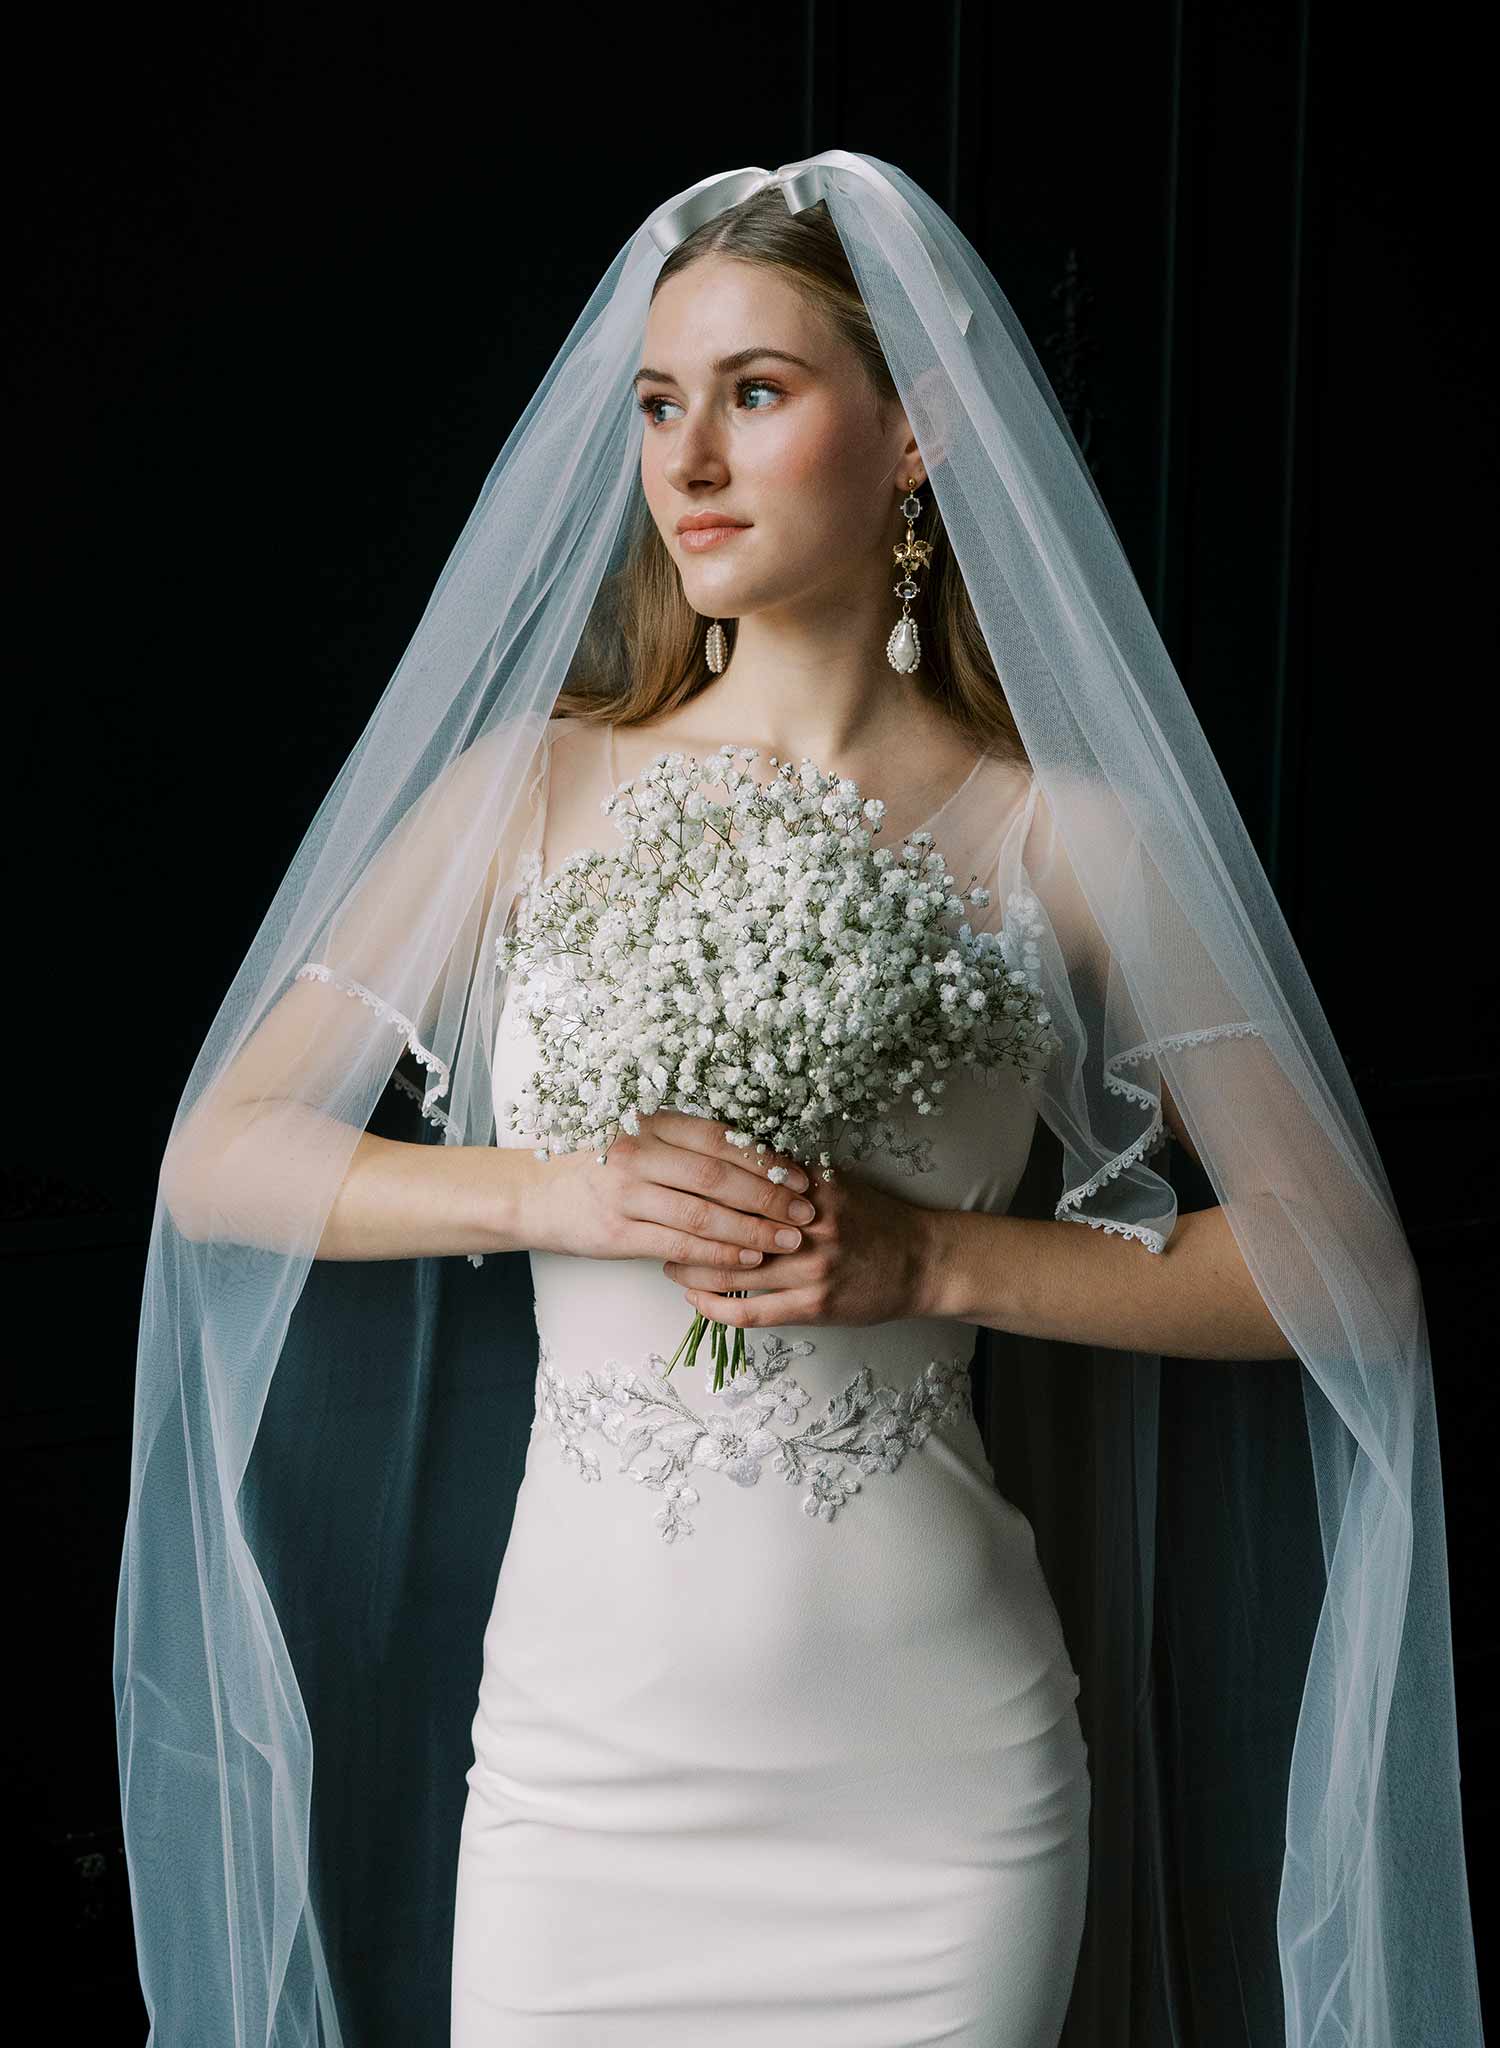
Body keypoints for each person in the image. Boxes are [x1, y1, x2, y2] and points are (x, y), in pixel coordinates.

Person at [115, 154, 1483, 2047]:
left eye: (757, 394)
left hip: (933, 1797)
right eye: (662, 406)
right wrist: (561, 1192)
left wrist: (933, 1258)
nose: (687, 463)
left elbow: (1347, 1276)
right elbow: (218, 1158)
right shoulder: (530, 789)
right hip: (579, 1789)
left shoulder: (1067, 837)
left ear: (917, 437)